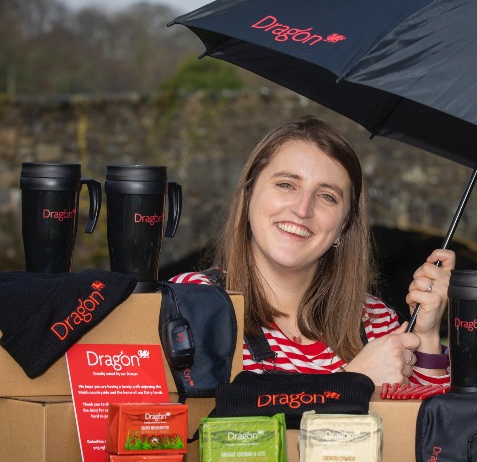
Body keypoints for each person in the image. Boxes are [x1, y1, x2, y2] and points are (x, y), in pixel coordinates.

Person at [171, 115, 455, 386]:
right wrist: (353, 381)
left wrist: (426, 334)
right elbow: (205, 423)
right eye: (286, 184)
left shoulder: (376, 322)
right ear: (248, 196)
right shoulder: (193, 303)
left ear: (344, 225)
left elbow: (425, 430)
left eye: (327, 196)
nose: (302, 209)